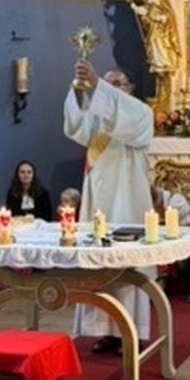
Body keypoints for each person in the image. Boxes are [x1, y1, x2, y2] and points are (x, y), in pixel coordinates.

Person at [64, 61, 153, 353]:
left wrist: (97, 85)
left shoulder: (141, 113)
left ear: (130, 88)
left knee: (126, 263)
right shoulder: (98, 118)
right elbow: (76, 127)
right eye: (107, 83)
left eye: (117, 84)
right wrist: (79, 90)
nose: (108, 89)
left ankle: (131, 332)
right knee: (100, 260)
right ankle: (104, 330)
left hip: (126, 200)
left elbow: (121, 113)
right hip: (99, 197)